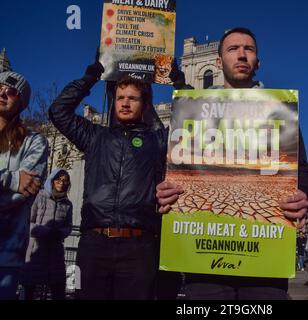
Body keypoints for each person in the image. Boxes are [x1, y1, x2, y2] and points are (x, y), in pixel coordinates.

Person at [170, 27, 308, 300]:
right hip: (205, 262)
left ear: (257, 62)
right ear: (218, 61)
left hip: (265, 259)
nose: (242, 55)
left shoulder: (278, 110)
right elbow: (175, 167)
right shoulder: (193, 113)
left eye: (248, 49)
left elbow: (301, 169)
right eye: (233, 49)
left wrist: (303, 195)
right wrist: (164, 190)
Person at [48, 56, 183, 300]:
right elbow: (58, 111)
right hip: (92, 245)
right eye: (120, 98)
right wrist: (91, 77)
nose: (125, 103)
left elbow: (193, 121)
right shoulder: (94, 136)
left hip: (139, 247)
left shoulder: (158, 141)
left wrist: (179, 82)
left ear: (144, 104)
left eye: (132, 98)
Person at [0, 71, 48, 300]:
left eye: (10, 90)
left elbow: (25, 192)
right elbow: (16, 187)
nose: (2, 93)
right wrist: (11, 179)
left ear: (21, 101)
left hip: (6, 253)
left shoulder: (35, 141)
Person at [20, 169, 73, 300]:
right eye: (58, 180)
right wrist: (44, 231)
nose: (61, 183)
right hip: (36, 250)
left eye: (65, 181)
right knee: (30, 290)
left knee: (58, 287)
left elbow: (68, 226)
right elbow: (28, 222)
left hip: (55, 252)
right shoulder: (39, 196)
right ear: (52, 180)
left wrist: (60, 233)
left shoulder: (68, 204)